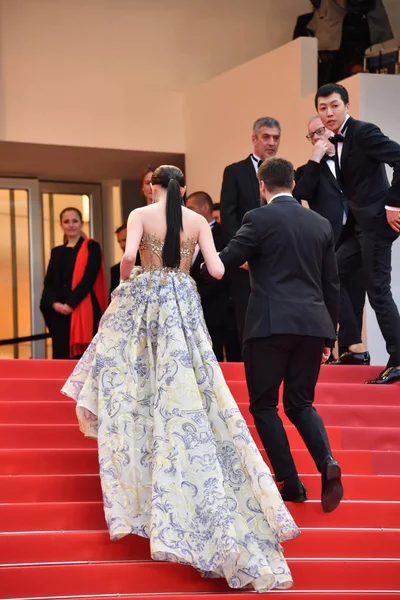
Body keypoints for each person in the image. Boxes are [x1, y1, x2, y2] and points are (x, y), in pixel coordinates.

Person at [61, 165, 299, 592]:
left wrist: (126, 287)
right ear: (184, 189)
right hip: (184, 301)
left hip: (148, 296)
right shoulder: (195, 221)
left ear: (154, 187)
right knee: (192, 378)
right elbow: (220, 271)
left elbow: (129, 258)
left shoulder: (139, 214)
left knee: (142, 376)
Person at [207, 158, 343, 512]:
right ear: (294, 185)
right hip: (313, 326)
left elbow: (224, 262)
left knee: (265, 405)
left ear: (262, 186)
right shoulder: (321, 224)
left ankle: (291, 483)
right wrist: (329, 336)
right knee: (301, 403)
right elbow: (331, 283)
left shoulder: (257, 218)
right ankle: (326, 460)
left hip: (268, 325)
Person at [316, 82, 400, 384]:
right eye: (323, 108)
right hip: (357, 226)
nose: (329, 112)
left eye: (334, 105)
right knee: (331, 271)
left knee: (378, 292)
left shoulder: (363, 132)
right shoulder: (337, 140)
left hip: (376, 224)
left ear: (347, 106)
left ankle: (398, 359)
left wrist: (393, 203)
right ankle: (352, 346)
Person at [293, 115, 367, 363]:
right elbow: (301, 193)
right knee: (332, 287)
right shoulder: (307, 170)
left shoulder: (351, 160)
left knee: (355, 291)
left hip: (358, 235)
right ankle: (350, 346)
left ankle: (351, 351)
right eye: (311, 134)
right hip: (328, 238)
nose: (317, 137)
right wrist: (315, 156)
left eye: (320, 131)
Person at [220, 117, 281, 346]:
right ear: (254, 139)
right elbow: (229, 215)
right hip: (244, 260)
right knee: (246, 317)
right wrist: (240, 253)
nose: (271, 143)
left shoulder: (285, 171)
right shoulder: (235, 171)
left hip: (276, 258)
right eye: (266, 137)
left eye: (276, 138)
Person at [40, 207, 107, 359]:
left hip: (82, 308)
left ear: (81, 224)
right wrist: (54, 303)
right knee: (61, 356)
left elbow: (89, 278)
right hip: (59, 314)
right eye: (66, 221)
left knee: (82, 360)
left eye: (75, 221)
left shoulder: (91, 246)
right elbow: (49, 281)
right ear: (61, 225)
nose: (71, 225)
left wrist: (70, 304)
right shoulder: (56, 251)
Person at [186, 191, 241, 362]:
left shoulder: (225, 234)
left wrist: (196, 293)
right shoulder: (185, 234)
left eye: (191, 208)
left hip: (222, 307)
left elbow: (224, 271)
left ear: (205, 207)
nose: (187, 212)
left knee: (231, 358)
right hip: (198, 311)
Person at [109, 224, 127, 296]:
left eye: (124, 240)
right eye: (119, 242)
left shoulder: (150, 264)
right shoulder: (116, 270)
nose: (122, 245)